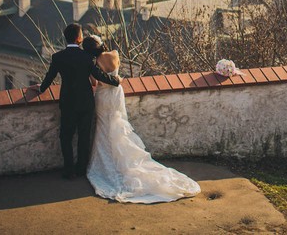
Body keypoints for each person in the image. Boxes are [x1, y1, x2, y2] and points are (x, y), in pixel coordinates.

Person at [82, 34, 200, 203]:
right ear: (101, 44)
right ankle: (124, 160)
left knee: (103, 128)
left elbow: (94, 83)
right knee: (118, 123)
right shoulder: (114, 54)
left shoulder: (93, 63)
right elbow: (116, 73)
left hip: (103, 96)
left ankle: (107, 161)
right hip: (116, 95)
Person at [28, 23, 120, 179]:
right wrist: (116, 81)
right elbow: (98, 76)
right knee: (84, 137)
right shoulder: (87, 57)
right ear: (79, 38)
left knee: (66, 136)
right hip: (85, 102)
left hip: (68, 102)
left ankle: (69, 170)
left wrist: (41, 88)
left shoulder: (58, 57)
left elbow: (49, 77)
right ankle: (81, 169)